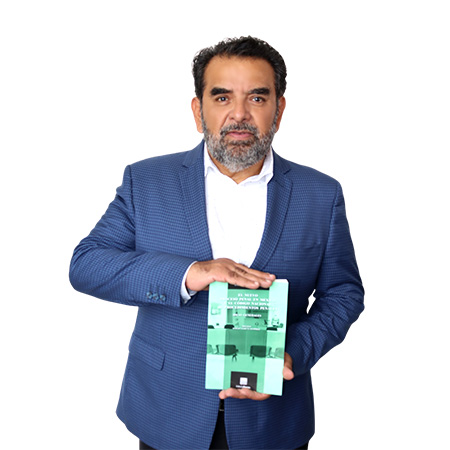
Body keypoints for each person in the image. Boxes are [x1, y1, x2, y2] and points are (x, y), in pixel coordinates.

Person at [69, 36, 364, 450]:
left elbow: (344, 293)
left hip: (273, 423)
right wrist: (192, 273)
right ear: (198, 110)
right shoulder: (146, 181)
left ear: (279, 110)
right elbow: (87, 264)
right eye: (222, 97)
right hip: (166, 411)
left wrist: (293, 352)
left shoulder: (320, 194)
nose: (239, 114)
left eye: (257, 98)